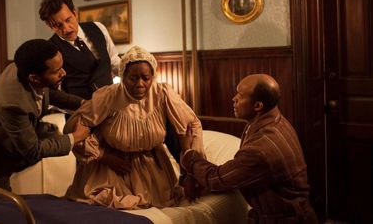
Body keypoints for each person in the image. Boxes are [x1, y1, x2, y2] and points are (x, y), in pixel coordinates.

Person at [63, 46, 205, 209]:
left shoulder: (163, 94)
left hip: (154, 173)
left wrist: (192, 169)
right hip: (112, 170)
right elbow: (75, 128)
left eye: (145, 78)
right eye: (133, 78)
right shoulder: (109, 95)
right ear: (123, 77)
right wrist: (103, 156)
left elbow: (189, 126)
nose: (140, 84)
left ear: (153, 77)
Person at [0, 39, 90, 196]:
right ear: (34, 77)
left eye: (62, 66)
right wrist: (75, 137)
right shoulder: (11, 103)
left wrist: (84, 103)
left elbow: (48, 91)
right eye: (56, 71)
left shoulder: (23, 67)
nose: (64, 73)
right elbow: (32, 151)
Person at [180, 74, 318, 223]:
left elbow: (217, 179)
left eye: (240, 96)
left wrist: (189, 155)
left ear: (258, 106)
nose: (234, 99)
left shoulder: (261, 148)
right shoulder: (273, 120)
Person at [39, 0, 120, 100]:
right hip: (79, 112)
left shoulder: (98, 27)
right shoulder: (50, 49)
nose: (66, 29)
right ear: (49, 26)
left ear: (74, 13)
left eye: (68, 20)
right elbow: (55, 92)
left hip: (112, 101)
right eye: (58, 25)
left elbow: (114, 61)